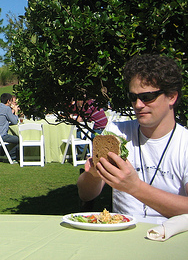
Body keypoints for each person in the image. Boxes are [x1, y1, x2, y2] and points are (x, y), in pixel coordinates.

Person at [77, 54, 188, 224]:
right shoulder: (116, 134)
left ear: (172, 97)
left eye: (147, 97)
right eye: (133, 97)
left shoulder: (184, 144)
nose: (138, 105)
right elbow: (86, 194)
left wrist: (135, 187)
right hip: (122, 236)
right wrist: (93, 175)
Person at [0, 93, 20, 161]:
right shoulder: (6, 109)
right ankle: (9, 156)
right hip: (1, 136)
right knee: (21, 140)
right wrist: (16, 112)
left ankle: (7, 154)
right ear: (8, 101)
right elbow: (15, 121)